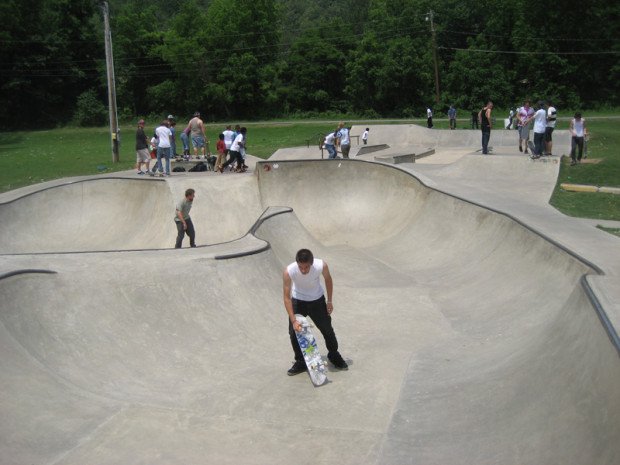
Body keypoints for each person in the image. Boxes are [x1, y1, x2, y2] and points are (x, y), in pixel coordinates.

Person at [283, 248, 348, 376]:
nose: (303, 270)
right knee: (294, 332)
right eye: (300, 267)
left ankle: (334, 355)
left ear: (311, 263)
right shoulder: (289, 271)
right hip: (298, 302)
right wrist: (293, 320)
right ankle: (301, 361)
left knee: (327, 329)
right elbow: (286, 297)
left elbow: (328, 280)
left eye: (306, 267)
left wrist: (329, 301)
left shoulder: (321, 265)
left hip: (317, 301)